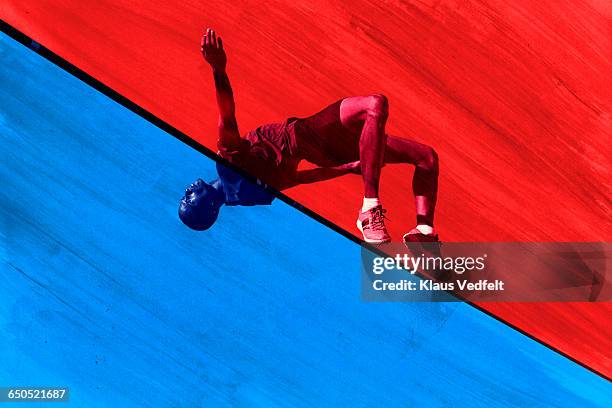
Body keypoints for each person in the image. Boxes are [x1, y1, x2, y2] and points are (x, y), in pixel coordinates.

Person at [179, 28, 440, 244]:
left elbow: (298, 178)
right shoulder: (228, 167)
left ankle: (424, 232)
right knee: (374, 104)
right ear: (209, 209)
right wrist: (218, 69)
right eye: (189, 199)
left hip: (325, 154)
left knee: (425, 157)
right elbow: (227, 114)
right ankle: (369, 208)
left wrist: (346, 167)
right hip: (306, 135)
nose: (187, 191)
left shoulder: (248, 197)